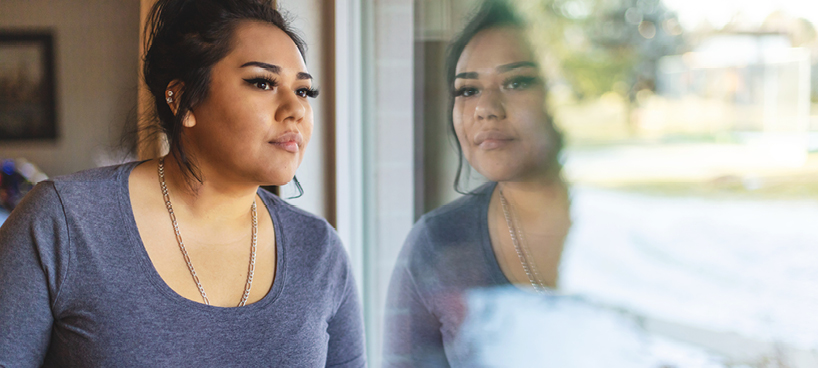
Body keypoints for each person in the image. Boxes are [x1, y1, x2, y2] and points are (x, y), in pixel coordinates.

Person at [0, 0, 365, 366]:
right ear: (184, 99)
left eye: (304, 91)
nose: (296, 109)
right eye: (262, 82)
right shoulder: (63, 224)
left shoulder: (319, 252)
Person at [383, 1, 570, 366]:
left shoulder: (634, 227)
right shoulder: (437, 243)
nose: (486, 108)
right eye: (468, 90)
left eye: (517, 82)